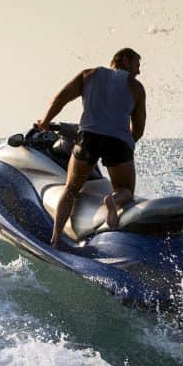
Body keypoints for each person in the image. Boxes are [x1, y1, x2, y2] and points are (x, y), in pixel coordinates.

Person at [36, 48, 146, 247]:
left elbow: (61, 98)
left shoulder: (89, 75)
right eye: (137, 64)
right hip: (118, 142)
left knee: (70, 189)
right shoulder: (136, 87)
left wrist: (45, 121)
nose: (138, 71)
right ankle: (112, 201)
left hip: (88, 138)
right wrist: (126, 145)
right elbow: (138, 128)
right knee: (126, 190)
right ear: (125, 60)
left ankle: (54, 240)